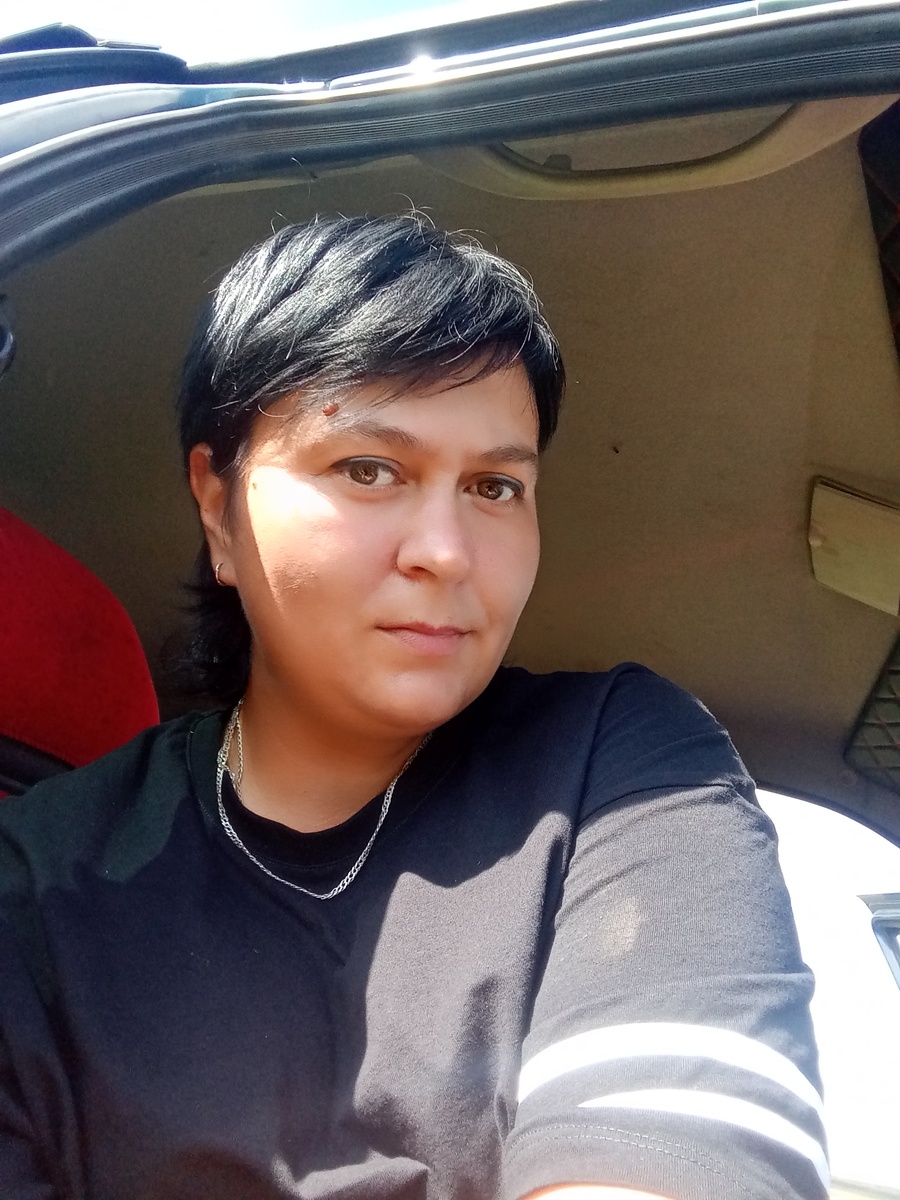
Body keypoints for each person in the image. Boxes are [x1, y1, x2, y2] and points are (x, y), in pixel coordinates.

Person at [0, 214, 827, 1200]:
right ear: (218, 509)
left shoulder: (620, 773)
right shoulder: (36, 885)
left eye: (495, 486)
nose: (445, 550)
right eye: (369, 470)